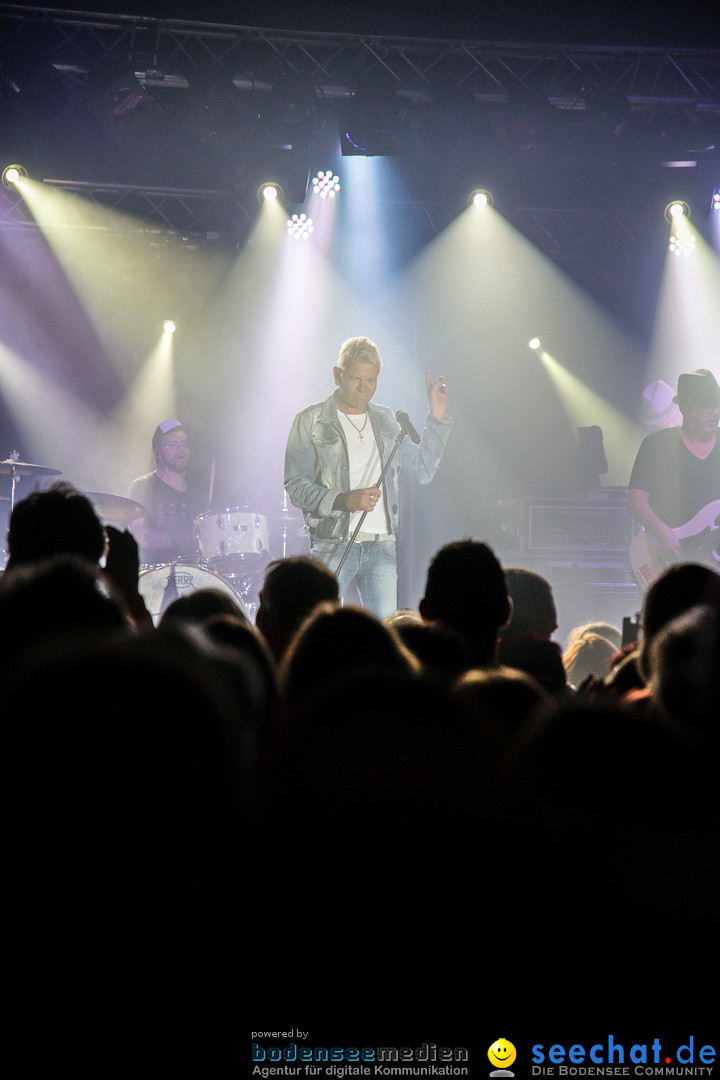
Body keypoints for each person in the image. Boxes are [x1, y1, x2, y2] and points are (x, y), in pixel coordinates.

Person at [284, 336, 453, 619]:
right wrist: (344, 500)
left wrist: (436, 416)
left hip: (382, 545)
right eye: (355, 379)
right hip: (333, 542)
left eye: (371, 381)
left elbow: (424, 470)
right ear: (337, 375)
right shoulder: (310, 420)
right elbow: (296, 486)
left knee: (386, 634)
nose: (364, 389)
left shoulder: (387, 419)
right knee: (321, 629)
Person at [627, 368, 720, 575]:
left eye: (716, 405)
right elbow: (636, 501)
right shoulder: (656, 444)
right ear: (685, 408)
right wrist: (661, 531)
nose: (714, 413)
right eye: (705, 406)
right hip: (663, 558)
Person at [128, 420, 201, 566]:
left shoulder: (197, 492)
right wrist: (181, 538)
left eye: (184, 443)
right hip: (156, 577)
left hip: (195, 574)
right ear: (157, 453)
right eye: (172, 444)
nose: (181, 448)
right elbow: (140, 537)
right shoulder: (143, 486)